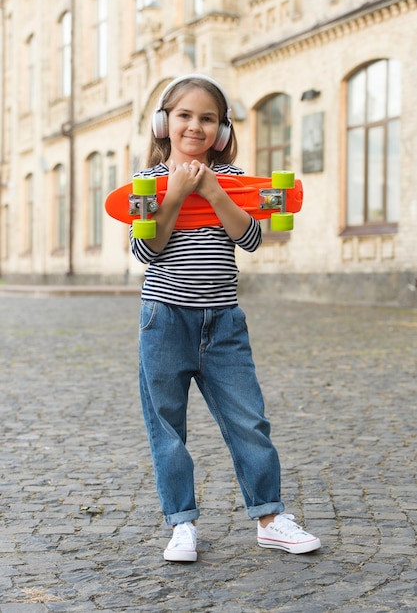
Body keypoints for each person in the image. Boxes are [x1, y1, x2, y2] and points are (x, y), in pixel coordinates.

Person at [130, 74, 321, 562]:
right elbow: (144, 249)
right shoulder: (145, 184)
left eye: (207, 118)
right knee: (167, 428)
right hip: (165, 319)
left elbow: (253, 239)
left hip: (224, 323)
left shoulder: (233, 180)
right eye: (185, 116)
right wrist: (174, 194)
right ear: (163, 123)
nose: (195, 126)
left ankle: (270, 518)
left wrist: (215, 193)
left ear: (221, 129)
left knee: (249, 421)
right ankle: (182, 525)